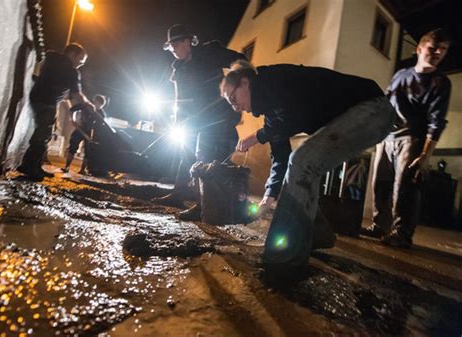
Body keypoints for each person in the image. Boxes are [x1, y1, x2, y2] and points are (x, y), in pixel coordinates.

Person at [220, 60, 396, 270]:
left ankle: (285, 255)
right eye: (230, 103)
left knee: (302, 161)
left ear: (246, 83)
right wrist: (268, 196)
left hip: (372, 107)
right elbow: (281, 156)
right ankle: (317, 232)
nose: (235, 106)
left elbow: (294, 114)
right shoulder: (271, 113)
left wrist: (257, 136)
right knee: (301, 164)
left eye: (233, 98)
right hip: (361, 114)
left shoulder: (274, 78)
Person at [361, 29, 452, 248]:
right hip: (386, 136)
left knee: (405, 188)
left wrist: (425, 155)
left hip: (412, 139)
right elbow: (384, 102)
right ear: (419, 49)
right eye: (433, 47)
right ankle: (379, 225)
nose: (438, 52)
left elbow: (436, 121)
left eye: (444, 49)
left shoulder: (441, 83)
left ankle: (402, 234)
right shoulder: (401, 75)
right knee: (380, 183)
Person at [152, 24, 246, 221]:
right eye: (170, 47)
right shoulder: (178, 68)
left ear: (187, 41)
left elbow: (240, 61)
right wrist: (178, 122)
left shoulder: (209, 53)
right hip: (194, 119)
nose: (173, 50)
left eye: (175, 45)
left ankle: (206, 204)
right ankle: (180, 192)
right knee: (186, 153)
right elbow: (179, 99)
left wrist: (231, 88)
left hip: (219, 115)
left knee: (209, 156)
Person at [18, 43, 94, 180]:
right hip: (48, 102)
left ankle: (31, 165)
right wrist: (88, 104)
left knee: (40, 132)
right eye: (80, 60)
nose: (80, 64)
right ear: (72, 54)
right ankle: (30, 168)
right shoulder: (72, 71)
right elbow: (77, 94)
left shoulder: (50, 58)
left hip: (35, 97)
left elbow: (41, 72)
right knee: (43, 135)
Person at [62, 94, 108, 174]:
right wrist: (72, 120)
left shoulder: (101, 114)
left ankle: (82, 170)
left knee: (88, 152)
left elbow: (100, 126)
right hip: (80, 129)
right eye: (98, 104)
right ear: (95, 101)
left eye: (101, 105)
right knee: (72, 148)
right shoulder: (85, 106)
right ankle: (66, 167)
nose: (99, 106)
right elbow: (72, 109)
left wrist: (94, 136)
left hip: (90, 133)